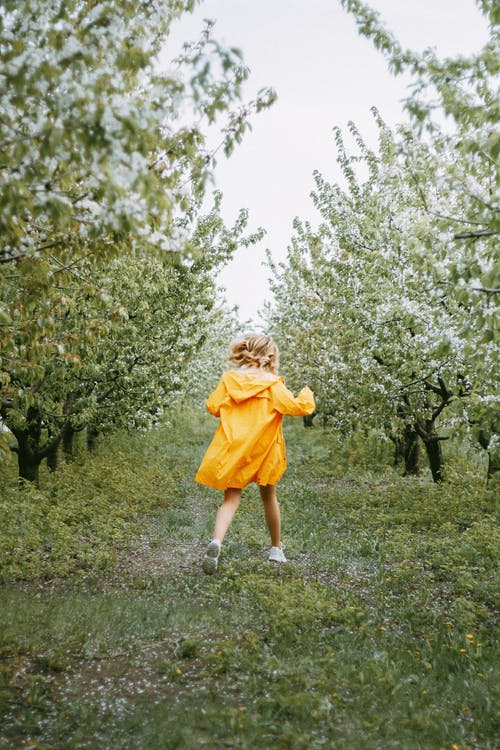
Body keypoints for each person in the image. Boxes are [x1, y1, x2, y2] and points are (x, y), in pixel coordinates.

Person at [195, 333, 315, 574]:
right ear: (269, 355)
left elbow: (212, 406)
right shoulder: (273, 384)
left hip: (235, 448)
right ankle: (276, 549)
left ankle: (216, 541)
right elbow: (298, 408)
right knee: (268, 496)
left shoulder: (230, 379)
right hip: (263, 450)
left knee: (230, 499)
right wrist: (307, 392)